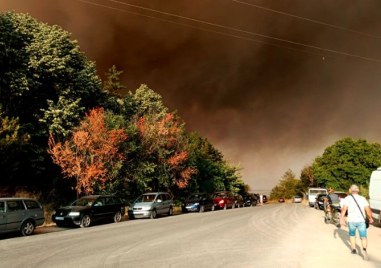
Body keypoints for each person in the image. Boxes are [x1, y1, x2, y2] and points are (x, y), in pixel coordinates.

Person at [340, 184, 374, 260]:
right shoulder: (362, 198)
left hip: (351, 220)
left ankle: (354, 249)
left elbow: (344, 209)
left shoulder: (347, 198)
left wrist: (341, 218)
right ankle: (364, 250)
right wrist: (370, 218)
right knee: (363, 237)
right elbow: (367, 210)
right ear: (358, 191)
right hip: (361, 221)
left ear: (350, 190)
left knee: (352, 235)